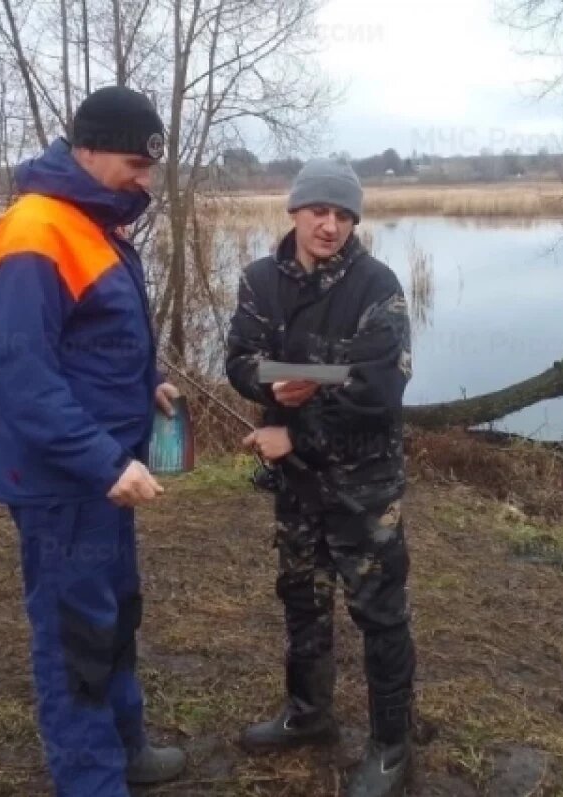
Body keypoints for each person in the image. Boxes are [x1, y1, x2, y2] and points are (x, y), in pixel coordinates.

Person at [0, 86, 185, 797]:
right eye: (136, 163)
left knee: (115, 612)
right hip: (65, 480)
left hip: (105, 473)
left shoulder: (95, 222)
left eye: (152, 167)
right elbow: (15, 366)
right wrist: (102, 459)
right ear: (89, 147)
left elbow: (93, 339)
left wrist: (146, 383)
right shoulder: (37, 227)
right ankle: (93, 782)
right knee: (76, 638)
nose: (145, 180)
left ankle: (126, 751)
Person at [225, 159, 417, 797]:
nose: (330, 226)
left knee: (380, 614)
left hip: (364, 487)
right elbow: (238, 357)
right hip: (297, 485)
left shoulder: (377, 288)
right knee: (302, 598)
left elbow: (378, 392)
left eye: (342, 216)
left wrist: (295, 430)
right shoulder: (260, 280)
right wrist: (264, 381)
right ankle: (309, 715)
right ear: (295, 212)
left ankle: (392, 747)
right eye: (319, 213)